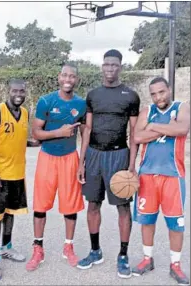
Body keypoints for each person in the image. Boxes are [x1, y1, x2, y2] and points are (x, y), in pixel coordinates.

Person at [77, 49, 140, 278]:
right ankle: (95, 251)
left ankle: (123, 255)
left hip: (118, 155)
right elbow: (87, 130)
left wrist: (132, 165)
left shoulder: (130, 96)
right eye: (107, 64)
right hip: (94, 154)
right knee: (93, 205)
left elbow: (135, 133)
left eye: (114, 65)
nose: (110, 68)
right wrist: (81, 161)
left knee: (123, 207)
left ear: (120, 67)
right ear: (102, 66)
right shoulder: (93, 95)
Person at [25, 64, 86, 271]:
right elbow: (36, 133)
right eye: (65, 75)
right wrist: (59, 132)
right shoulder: (46, 101)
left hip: (70, 158)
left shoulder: (81, 104)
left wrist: (82, 162)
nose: (68, 79)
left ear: (76, 79)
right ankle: (38, 248)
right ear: (59, 77)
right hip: (48, 158)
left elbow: (85, 135)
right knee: (41, 205)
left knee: (70, 206)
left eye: (72, 76)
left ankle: (68, 247)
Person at [132, 77, 190, 285]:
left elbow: (181, 130)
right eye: (154, 94)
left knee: (176, 224)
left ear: (169, 89)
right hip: (147, 175)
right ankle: (147, 259)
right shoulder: (147, 111)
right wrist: (167, 128)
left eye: (161, 92)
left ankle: (175, 265)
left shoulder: (181, 107)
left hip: (173, 175)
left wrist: (153, 126)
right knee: (147, 221)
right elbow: (137, 137)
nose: (158, 97)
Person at [0, 79, 37, 281]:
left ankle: (7, 247)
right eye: (15, 90)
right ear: (8, 91)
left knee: (10, 213)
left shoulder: (24, 113)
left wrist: (32, 143)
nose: (19, 93)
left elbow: (14, 137)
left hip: (18, 173)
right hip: (0, 175)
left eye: (22, 91)